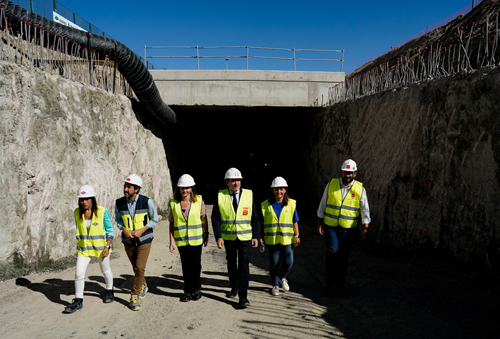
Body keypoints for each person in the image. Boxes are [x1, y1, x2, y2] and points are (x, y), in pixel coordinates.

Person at [317, 159, 370, 296]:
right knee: (332, 252)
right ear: (342, 172)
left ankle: (340, 285)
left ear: (355, 174)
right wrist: (319, 222)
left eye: (350, 173)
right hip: (331, 227)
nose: (347, 175)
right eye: (345, 172)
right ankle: (329, 285)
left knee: (343, 257)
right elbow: (323, 204)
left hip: (348, 229)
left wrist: (365, 227)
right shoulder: (331, 184)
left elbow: (365, 210)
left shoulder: (360, 189)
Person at [211, 167, 260, 307]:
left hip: (245, 237)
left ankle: (243, 297)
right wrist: (218, 237)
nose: (236, 183)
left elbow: (255, 218)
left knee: (244, 263)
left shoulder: (249, 194)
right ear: (227, 182)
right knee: (231, 262)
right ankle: (234, 286)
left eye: (238, 180)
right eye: (233, 180)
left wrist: (256, 236)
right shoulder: (220, 195)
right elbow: (215, 217)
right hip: (229, 237)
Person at [63, 185, 114, 314]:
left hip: (101, 248)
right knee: (78, 274)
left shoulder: (102, 211)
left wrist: (107, 246)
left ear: (92, 199)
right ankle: (78, 300)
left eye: (86, 199)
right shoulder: (76, 212)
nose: (83, 202)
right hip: (84, 249)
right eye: (81, 199)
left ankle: (109, 290)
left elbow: (110, 230)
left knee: (105, 270)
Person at [115, 174, 159, 311]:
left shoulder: (147, 202)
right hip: (128, 241)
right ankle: (143, 284)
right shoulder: (119, 203)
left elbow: (154, 219)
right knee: (135, 268)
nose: (125, 189)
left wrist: (141, 230)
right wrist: (124, 230)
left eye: (129, 187)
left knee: (140, 268)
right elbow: (118, 220)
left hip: (144, 240)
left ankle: (134, 296)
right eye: (125, 186)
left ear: (137, 189)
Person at [168, 174, 209, 302]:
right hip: (182, 240)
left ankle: (196, 289)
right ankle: (187, 291)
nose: (184, 190)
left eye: (187, 188)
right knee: (185, 266)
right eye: (182, 188)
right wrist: (171, 242)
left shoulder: (198, 201)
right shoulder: (173, 204)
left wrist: (206, 234)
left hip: (196, 240)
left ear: (191, 188)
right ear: (179, 189)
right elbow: (171, 223)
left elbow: (203, 218)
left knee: (196, 265)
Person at [260, 177, 300, 296]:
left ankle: (282, 277)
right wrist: (260, 237)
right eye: (276, 189)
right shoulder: (265, 205)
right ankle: (275, 285)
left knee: (289, 262)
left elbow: (295, 221)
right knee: (274, 263)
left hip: (287, 239)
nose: (279, 192)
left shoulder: (291, 204)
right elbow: (262, 223)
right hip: (272, 239)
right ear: (273, 190)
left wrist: (297, 235)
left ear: (285, 190)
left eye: (281, 189)